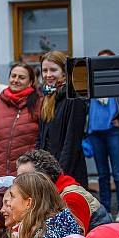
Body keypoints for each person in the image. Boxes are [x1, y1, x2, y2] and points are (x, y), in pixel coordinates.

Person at [86, 50, 119, 223]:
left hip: (114, 132)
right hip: (95, 134)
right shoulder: (90, 83)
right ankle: (105, 209)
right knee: (102, 174)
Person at [16, 149, 112, 234]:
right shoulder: (45, 196)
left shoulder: (72, 198)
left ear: (45, 177)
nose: (19, 183)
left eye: (25, 177)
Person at [0, 63, 41, 184]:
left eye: (21, 77)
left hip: (26, 174)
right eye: (13, 76)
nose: (16, 80)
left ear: (30, 82)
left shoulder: (39, 103)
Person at [37, 50, 89, 187]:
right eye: (44, 70)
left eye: (53, 70)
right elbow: (41, 137)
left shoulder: (74, 98)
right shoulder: (47, 97)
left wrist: (59, 175)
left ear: (64, 72)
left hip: (66, 173)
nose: (48, 75)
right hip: (47, 171)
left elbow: (71, 142)